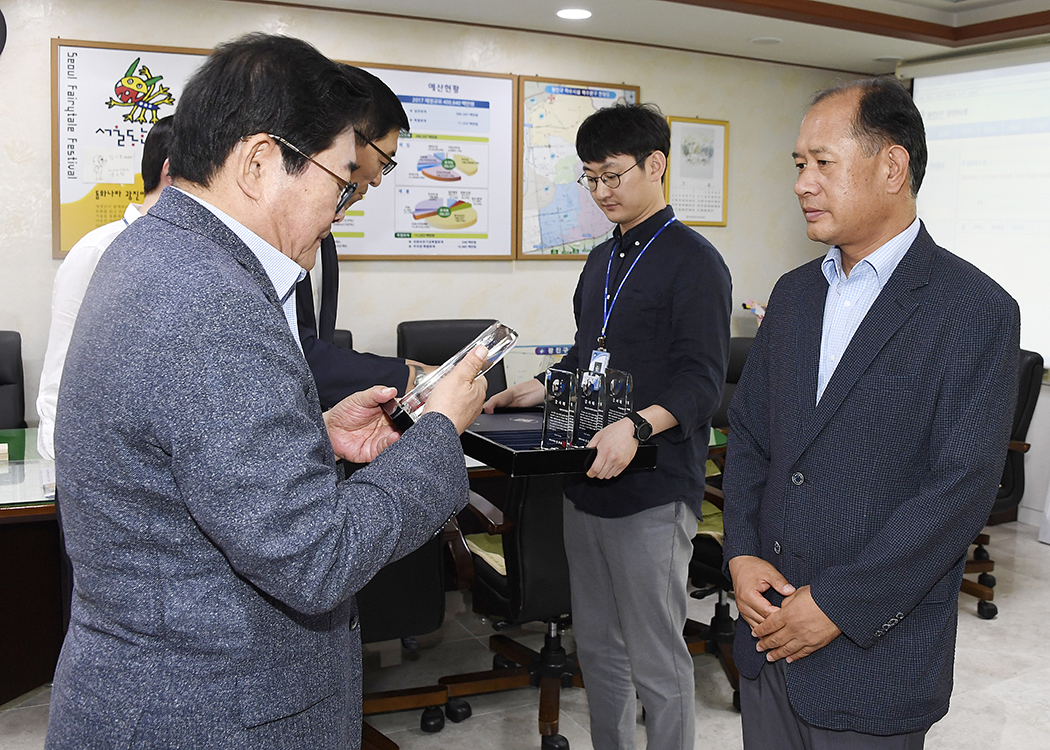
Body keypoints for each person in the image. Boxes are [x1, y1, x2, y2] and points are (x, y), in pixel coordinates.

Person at [45, 34, 486, 750]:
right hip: (213, 715)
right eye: (341, 180)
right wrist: (438, 433)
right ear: (258, 161)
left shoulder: (151, 251)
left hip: (152, 689)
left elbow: (189, 449)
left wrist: (314, 429)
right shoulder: (211, 298)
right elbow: (317, 560)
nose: (343, 206)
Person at [722, 76, 1020, 748]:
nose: (802, 182)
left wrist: (835, 605)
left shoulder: (974, 309)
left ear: (892, 165)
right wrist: (739, 553)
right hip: (766, 643)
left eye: (822, 162)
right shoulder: (794, 294)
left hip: (872, 664)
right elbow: (750, 438)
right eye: (799, 165)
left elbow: (959, 490)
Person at [485, 103, 732, 750]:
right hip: (584, 482)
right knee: (598, 649)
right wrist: (536, 386)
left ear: (657, 165)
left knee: (656, 658)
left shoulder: (695, 262)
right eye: (590, 178)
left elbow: (701, 381)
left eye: (613, 176)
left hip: (653, 487)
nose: (601, 193)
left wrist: (638, 428)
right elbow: (586, 352)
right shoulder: (602, 260)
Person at [36, 115, 175, 459]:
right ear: (170, 173)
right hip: (97, 469)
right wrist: (64, 473)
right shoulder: (97, 250)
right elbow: (60, 374)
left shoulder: (204, 256)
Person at [297, 66, 428, 408]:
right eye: (384, 160)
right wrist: (408, 376)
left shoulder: (324, 228)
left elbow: (314, 346)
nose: (379, 179)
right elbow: (298, 353)